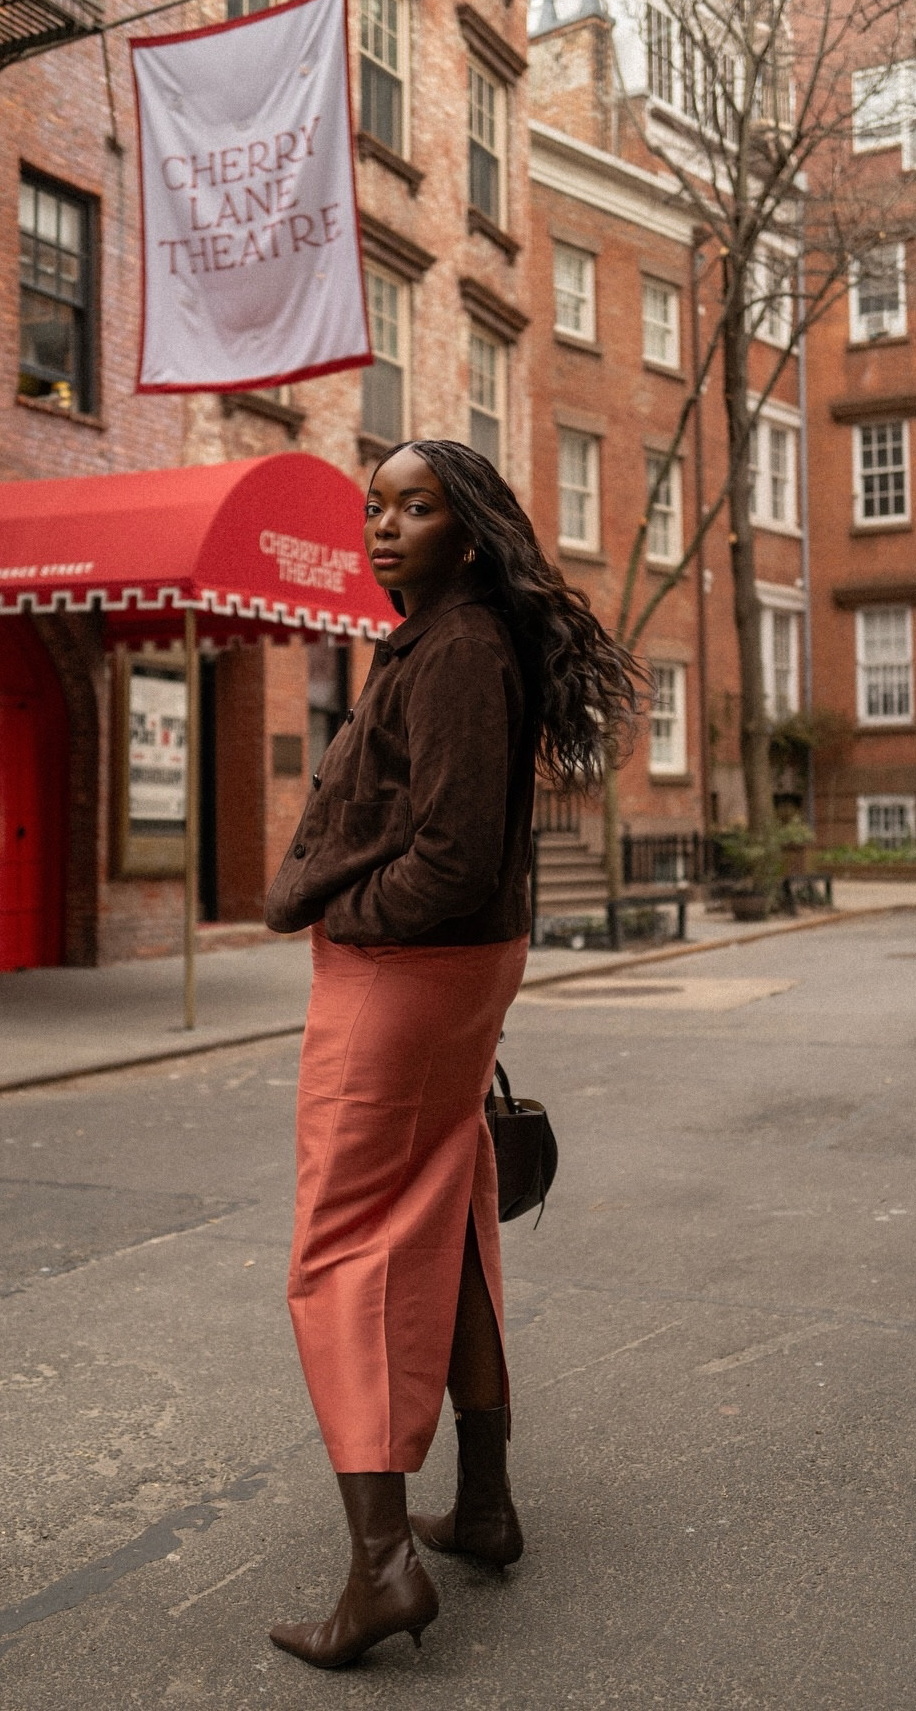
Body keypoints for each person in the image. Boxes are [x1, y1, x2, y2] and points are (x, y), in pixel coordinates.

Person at [263, 438, 642, 1668]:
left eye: (413, 509)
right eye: (375, 508)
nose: (383, 528)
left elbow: (454, 853)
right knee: (448, 1203)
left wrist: (350, 921)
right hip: (450, 969)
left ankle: (381, 1574)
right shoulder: (451, 637)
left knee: (341, 1243)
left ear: (467, 532)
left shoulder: (462, 649)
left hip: (406, 973)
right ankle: (480, 1506)